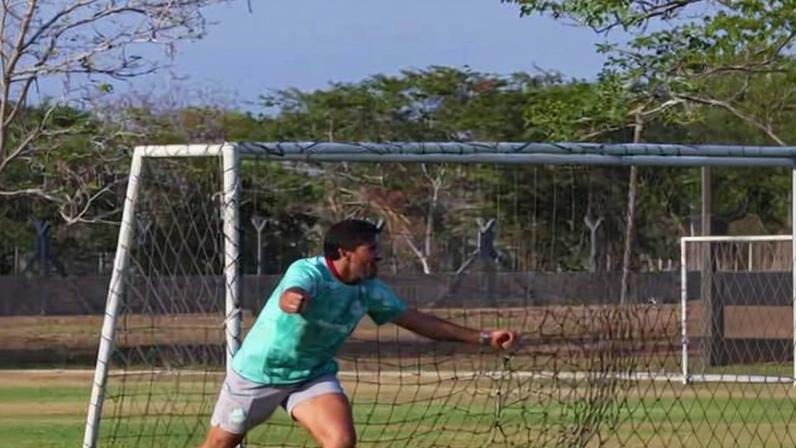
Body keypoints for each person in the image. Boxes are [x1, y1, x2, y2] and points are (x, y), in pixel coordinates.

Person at [201, 219, 518, 448]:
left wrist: (484, 337)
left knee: (340, 441)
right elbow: (292, 291)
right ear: (345, 252)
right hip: (261, 372)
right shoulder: (309, 271)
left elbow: (418, 321)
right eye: (371, 248)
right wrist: (291, 300)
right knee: (219, 443)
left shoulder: (371, 291)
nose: (378, 255)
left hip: (312, 374)